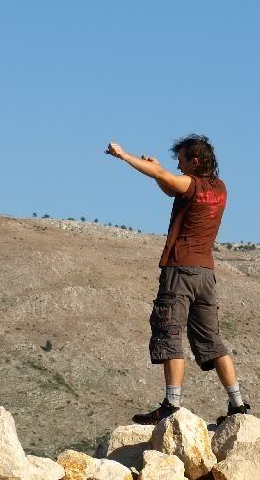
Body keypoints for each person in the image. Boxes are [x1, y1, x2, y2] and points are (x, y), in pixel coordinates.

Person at [105, 134, 250, 424]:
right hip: (205, 274)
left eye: (182, 160)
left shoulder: (190, 184)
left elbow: (166, 179)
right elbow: (170, 186)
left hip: (180, 271)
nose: (179, 166)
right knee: (212, 340)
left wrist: (124, 156)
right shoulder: (219, 188)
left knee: (169, 332)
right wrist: (159, 170)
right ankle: (237, 405)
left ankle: (171, 404)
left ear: (194, 161)